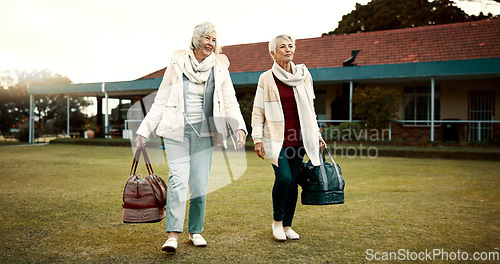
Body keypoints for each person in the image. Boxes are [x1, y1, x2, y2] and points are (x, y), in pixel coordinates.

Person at [135, 22, 247, 253]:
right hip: (177, 131)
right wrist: (144, 131)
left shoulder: (219, 68)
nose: (210, 44)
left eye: (214, 40)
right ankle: (172, 235)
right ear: (196, 40)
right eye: (207, 38)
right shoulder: (176, 65)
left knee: (199, 185)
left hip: (205, 134)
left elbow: (230, 101)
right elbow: (160, 100)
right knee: (177, 180)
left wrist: (239, 127)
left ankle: (195, 231)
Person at [251, 34, 326, 241]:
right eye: (282, 46)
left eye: (290, 46)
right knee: (283, 177)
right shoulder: (266, 78)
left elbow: (310, 107)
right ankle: (276, 222)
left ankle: (287, 226)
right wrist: (257, 138)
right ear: (272, 53)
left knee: (293, 182)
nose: (287, 49)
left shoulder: (304, 74)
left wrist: (317, 134)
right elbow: (258, 110)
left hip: (300, 138)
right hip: (276, 138)